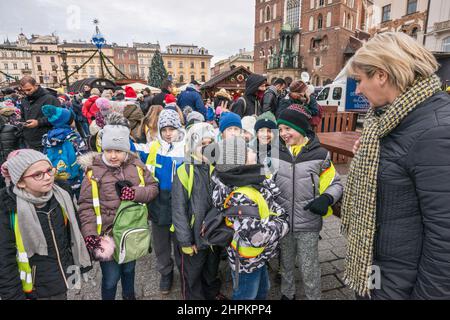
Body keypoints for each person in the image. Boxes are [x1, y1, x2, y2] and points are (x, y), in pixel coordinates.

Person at [341, 32, 450, 300]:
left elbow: (444, 238)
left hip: (402, 282)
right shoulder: (388, 121)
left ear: (381, 75)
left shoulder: (435, 131)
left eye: (360, 80)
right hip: (376, 268)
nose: (357, 90)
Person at [77, 118, 159, 300]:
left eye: (119, 151)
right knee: (111, 278)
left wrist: (136, 193)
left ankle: (129, 296)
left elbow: (153, 188)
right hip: (107, 235)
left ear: (126, 149)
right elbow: (85, 206)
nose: (113, 155)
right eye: (109, 150)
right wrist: (89, 234)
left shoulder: (137, 166)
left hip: (131, 231)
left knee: (129, 270)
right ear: (102, 149)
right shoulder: (94, 173)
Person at [0, 149, 91, 300]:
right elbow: (4, 261)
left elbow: (72, 236)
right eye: (38, 174)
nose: (48, 177)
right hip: (34, 288)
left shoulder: (61, 196)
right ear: (20, 182)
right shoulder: (8, 209)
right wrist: (14, 296)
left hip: (62, 278)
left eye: (49, 170)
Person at [275, 104, 343, 300]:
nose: (283, 134)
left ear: (301, 129)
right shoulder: (275, 155)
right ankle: (287, 294)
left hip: (308, 223)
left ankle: (314, 296)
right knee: (285, 263)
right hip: (284, 223)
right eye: (280, 130)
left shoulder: (320, 155)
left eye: (287, 128)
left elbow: (335, 183)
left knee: (309, 265)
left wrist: (326, 198)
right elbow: (266, 184)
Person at [210, 136, 289, 300]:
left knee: (262, 290)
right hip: (247, 262)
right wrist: (283, 223)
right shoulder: (241, 196)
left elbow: (269, 205)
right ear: (240, 162)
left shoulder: (250, 180)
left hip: (258, 257)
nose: (253, 151)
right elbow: (257, 237)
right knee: (246, 295)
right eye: (248, 150)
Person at [171, 122, 226, 300]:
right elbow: (178, 210)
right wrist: (185, 242)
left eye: (210, 143)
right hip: (193, 236)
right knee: (192, 277)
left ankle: (211, 294)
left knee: (211, 272)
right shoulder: (184, 171)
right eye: (203, 144)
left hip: (212, 234)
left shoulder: (217, 169)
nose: (207, 148)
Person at [134, 108, 186, 295]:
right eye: (164, 129)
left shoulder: (187, 148)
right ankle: (166, 272)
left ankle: (184, 272)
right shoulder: (154, 147)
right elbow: (134, 151)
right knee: (161, 243)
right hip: (158, 203)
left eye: (171, 129)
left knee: (181, 241)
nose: (168, 133)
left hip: (180, 203)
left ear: (179, 128)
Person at [41, 105, 87, 197]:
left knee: (65, 200)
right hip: (76, 177)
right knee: (81, 199)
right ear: (67, 122)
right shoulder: (73, 137)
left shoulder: (47, 138)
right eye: (72, 119)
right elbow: (83, 156)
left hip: (58, 178)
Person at [19, 76, 61, 151]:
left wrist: (38, 122)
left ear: (36, 85)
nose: (26, 93)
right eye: (24, 91)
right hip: (30, 142)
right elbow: (23, 117)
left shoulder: (49, 98)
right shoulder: (24, 101)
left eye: (29, 89)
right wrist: (22, 124)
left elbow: (58, 117)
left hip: (47, 140)